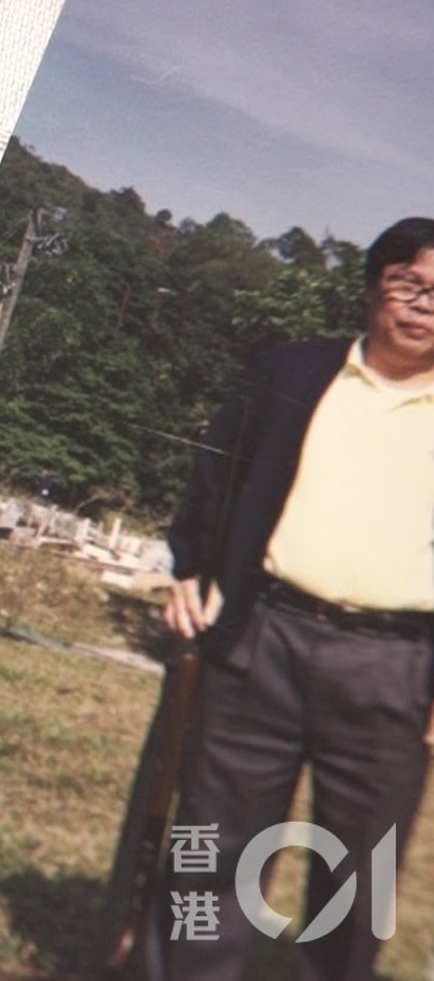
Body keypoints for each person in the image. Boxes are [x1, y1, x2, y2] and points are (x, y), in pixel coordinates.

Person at [141, 216, 434, 979]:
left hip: (395, 669)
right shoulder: (292, 373)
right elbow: (216, 477)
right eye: (411, 282)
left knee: (357, 876)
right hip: (259, 641)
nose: (425, 304)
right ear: (375, 285)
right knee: (210, 848)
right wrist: (192, 569)